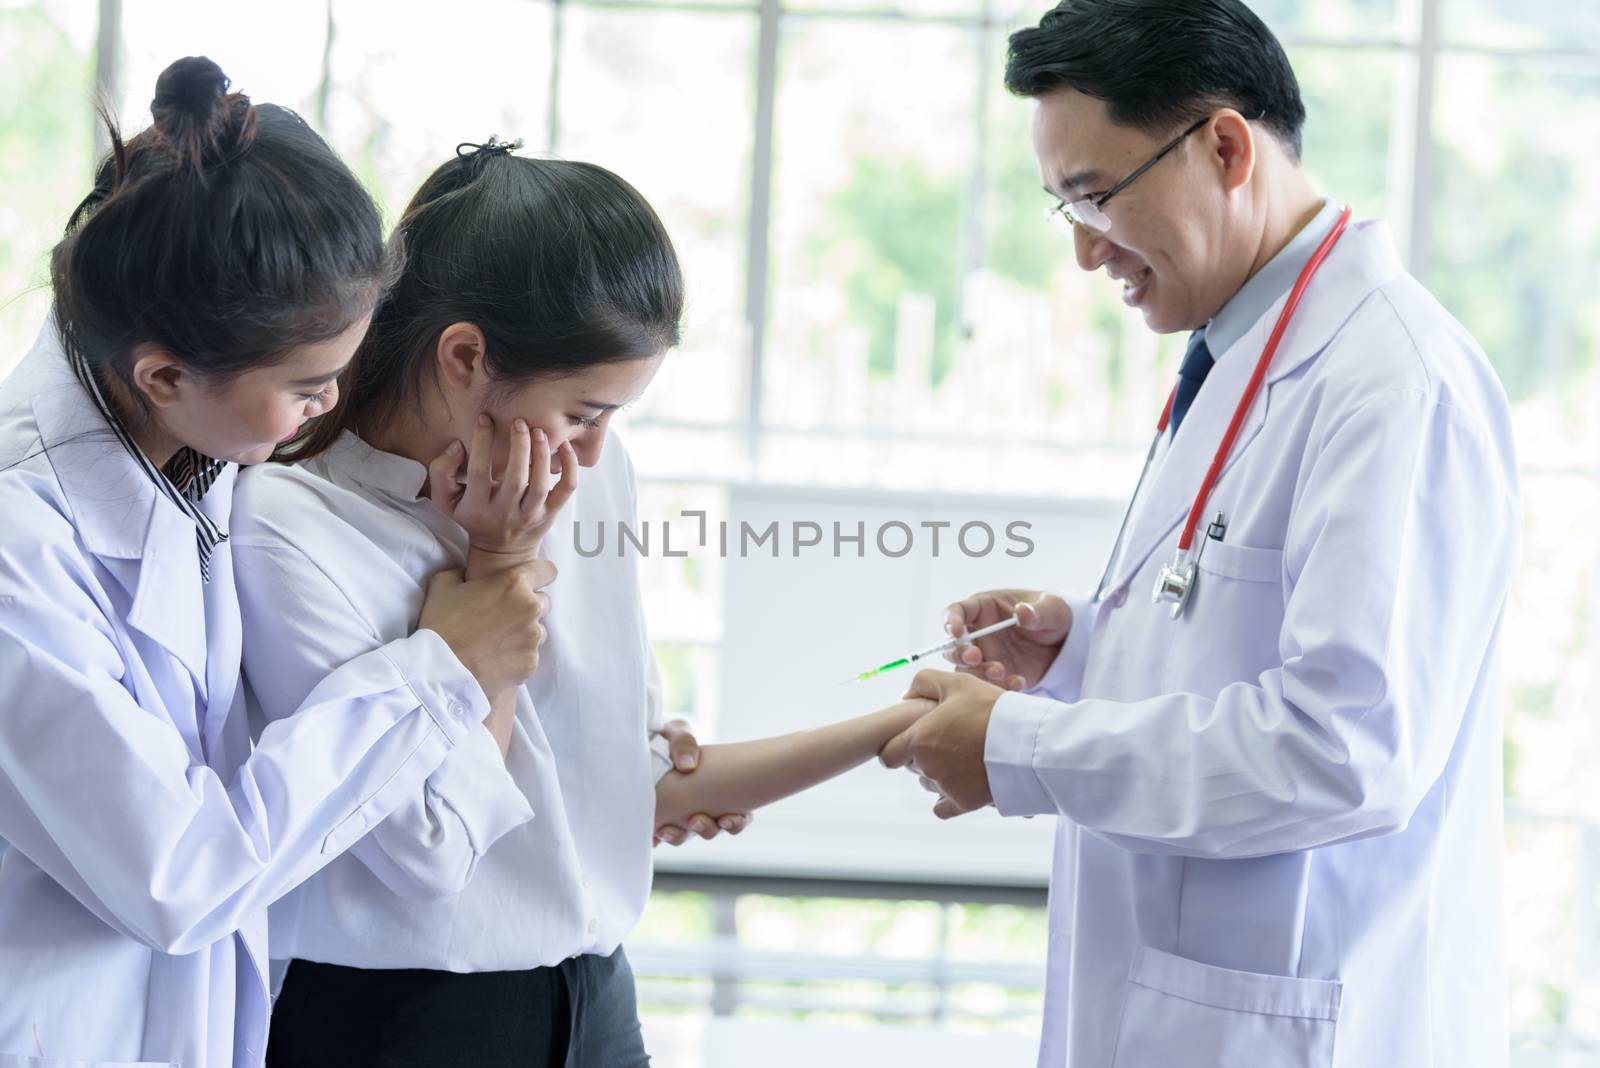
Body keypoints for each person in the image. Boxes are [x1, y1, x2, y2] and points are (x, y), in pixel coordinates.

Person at [878, 3, 1519, 1066]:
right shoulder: (1244, 347)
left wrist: (1015, 746)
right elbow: (1238, 623)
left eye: (1094, 197)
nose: (1085, 254)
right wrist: (1085, 647)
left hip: (1293, 1023)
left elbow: (1342, 751)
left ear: (1223, 146)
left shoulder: (1390, 383)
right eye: (1061, 209)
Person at [233, 143, 931, 1066]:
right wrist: (501, 560)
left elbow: (640, 777)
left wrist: (901, 721)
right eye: (583, 412)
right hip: (397, 1025)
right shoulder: (289, 526)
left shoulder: (591, 480)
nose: (595, 453)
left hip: (597, 998)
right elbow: (433, 854)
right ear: (466, 357)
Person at [0, 60, 554, 1067]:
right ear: (163, 372)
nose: (331, 408)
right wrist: (431, 672)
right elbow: (179, 875)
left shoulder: (188, 460)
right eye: (307, 384)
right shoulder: (17, 552)